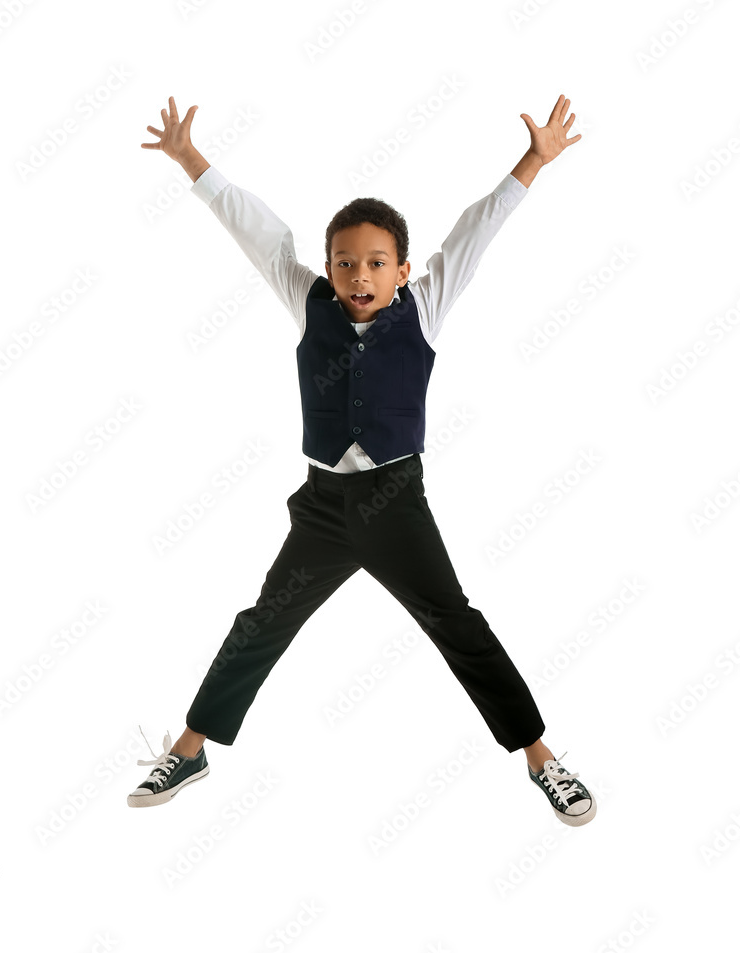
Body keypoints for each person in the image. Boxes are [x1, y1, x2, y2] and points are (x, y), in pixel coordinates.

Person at [127, 95, 596, 827]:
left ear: (402, 269)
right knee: (262, 624)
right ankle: (190, 749)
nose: (359, 274)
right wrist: (191, 159)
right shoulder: (307, 298)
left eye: (376, 262)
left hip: (396, 502)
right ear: (329, 267)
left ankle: (542, 758)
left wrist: (533, 160)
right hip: (323, 508)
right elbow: (255, 232)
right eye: (346, 262)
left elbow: (479, 232)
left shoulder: (427, 304)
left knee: (457, 626)